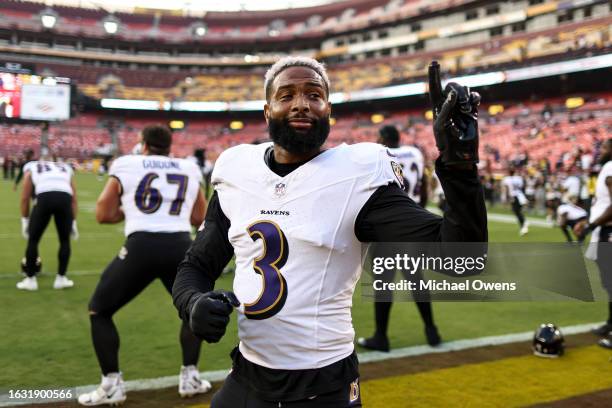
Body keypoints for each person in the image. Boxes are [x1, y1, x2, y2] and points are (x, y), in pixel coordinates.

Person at [172, 57, 487, 407]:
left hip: (323, 386)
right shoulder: (238, 170)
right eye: (286, 95)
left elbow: (462, 260)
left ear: (328, 110)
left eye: (313, 94)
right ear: (267, 111)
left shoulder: (358, 175)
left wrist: (460, 166)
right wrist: (193, 303)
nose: (301, 103)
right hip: (247, 378)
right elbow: (195, 268)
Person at [78, 125, 211, 406]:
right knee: (191, 311)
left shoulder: (126, 163)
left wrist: (132, 209)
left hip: (140, 248)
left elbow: (103, 213)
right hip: (179, 246)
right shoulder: (188, 168)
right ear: (169, 145)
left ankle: (111, 384)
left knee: (99, 310)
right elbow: (199, 217)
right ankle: (191, 376)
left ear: (143, 143)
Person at [357, 124, 440, 352]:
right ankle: (432, 330)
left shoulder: (381, 155)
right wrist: (418, 215)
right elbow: (423, 188)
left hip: (389, 227)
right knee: (416, 279)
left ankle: (381, 337)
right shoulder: (414, 153)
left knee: (383, 283)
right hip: (412, 225)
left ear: (383, 137)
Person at [17, 154, 78, 291]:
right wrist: (73, 221)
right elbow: (74, 197)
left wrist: (25, 220)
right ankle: (61, 279)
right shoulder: (65, 167)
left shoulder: (32, 166)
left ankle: (30, 280)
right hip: (64, 197)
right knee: (64, 240)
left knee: (33, 240)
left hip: (44, 197)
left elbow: (25, 197)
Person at [574, 139, 612, 347]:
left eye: (605, 148)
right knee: (608, 283)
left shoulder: (610, 168)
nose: (600, 151)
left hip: (608, 231)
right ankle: (610, 323)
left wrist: (591, 225)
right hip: (603, 229)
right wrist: (588, 221)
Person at [502, 167, 529, 236]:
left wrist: (504, 198)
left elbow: (506, 189)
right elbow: (522, 187)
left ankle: (523, 225)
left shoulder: (507, 179)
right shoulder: (519, 178)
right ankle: (523, 224)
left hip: (514, 196)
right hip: (520, 196)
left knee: (517, 212)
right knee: (518, 211)